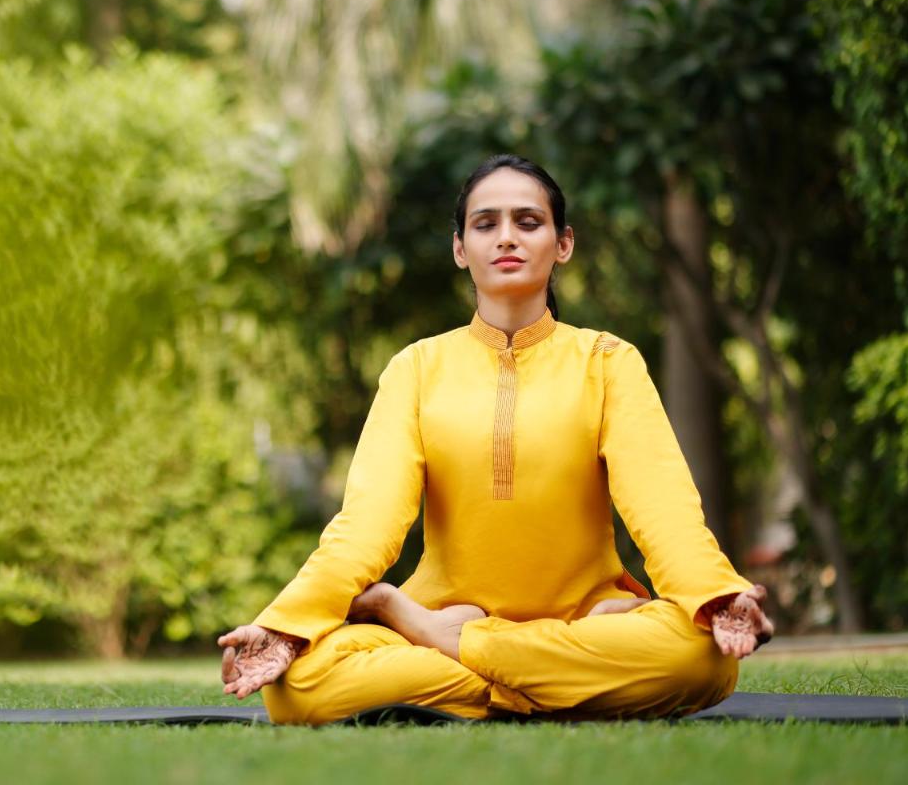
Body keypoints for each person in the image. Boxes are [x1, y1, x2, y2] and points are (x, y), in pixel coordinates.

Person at [218, 154, 774, 725]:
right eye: (486, 224)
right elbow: (367, 524)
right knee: (297, 687)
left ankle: (448, 644)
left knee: (703, 659)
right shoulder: (416, 368)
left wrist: (716, 594)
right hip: (528, 631)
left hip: (543, 623)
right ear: (461, 249)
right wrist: (288, 622)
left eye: (528, 222)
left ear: (563, 244)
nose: (506, 237)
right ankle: (557, 684)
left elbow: (663, 508)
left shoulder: (608, 362)